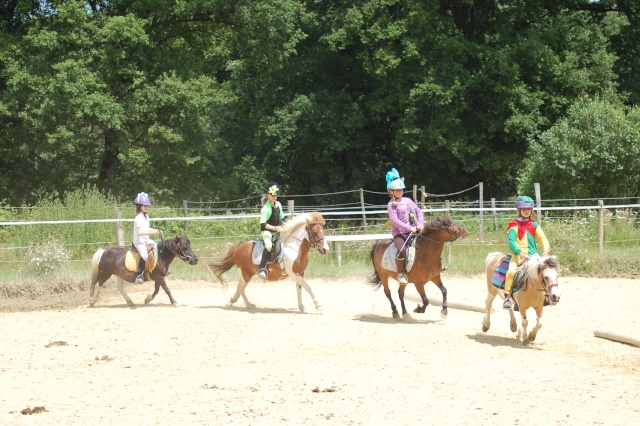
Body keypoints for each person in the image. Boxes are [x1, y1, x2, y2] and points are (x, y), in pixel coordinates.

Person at [503, 195, 550, 309]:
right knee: (511, 272)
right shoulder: (514, 224)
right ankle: (508, 297)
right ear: (519, 210)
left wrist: (546, 250)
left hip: (533, 256)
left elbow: (542, 238)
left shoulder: (534, 225)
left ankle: (546, 295)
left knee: (546, 272)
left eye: (528, 209)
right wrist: (519, 252)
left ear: (531, 210)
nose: (526, 211)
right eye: (524, 209)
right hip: (518, 255)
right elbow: (511, 241)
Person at [386, 168, 424, 285]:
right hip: (399, 233)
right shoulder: (390, 205)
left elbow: (418, 210)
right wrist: (409, 228)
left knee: (427, 241)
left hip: (413, 228)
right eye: (397, 190)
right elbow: (394, 220)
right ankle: (400, 273)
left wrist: (420, 223)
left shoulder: (408, 200)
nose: (400, 191)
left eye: (401, 189)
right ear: (391, 191)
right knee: (401, 250)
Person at [133, 192, 163, 284]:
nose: (146, 207)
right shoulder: (138, 218)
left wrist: (156, 230)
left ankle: (158, 268)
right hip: (138, 241)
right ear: (139, 206)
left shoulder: (146, 216)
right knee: (145, 255)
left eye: (147, 205)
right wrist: (153, 233)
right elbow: (140, 232)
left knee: (157, 246)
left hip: (145, 239)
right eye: (144, 205)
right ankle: (139, 274)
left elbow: (147, 228)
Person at [257, 182, 285, 279]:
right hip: (267, 231)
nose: (274, 197)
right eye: (272, 195)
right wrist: (275, 228)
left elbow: (282, 218)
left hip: (277, 231)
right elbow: (263, 224)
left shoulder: (278, 205)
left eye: (275, 195)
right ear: (267, 195)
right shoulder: (265, 209)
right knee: (269, 246)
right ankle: (261, 269)